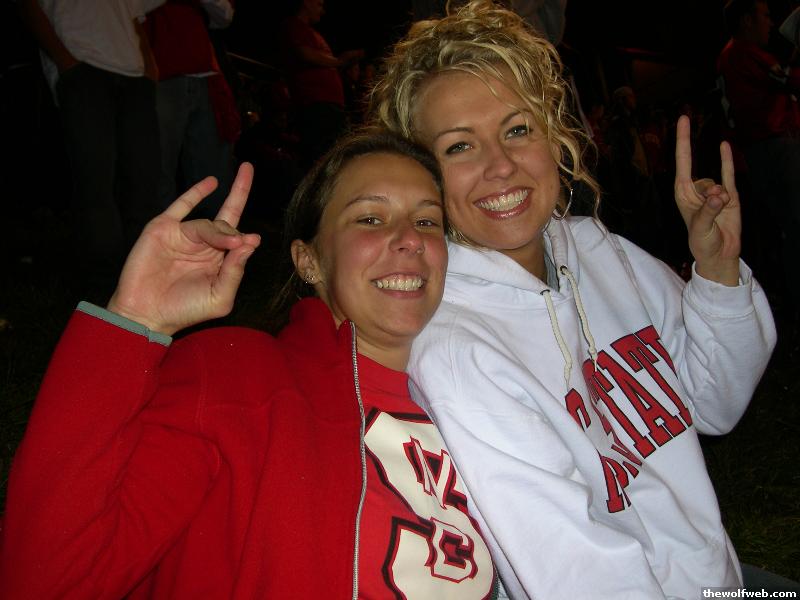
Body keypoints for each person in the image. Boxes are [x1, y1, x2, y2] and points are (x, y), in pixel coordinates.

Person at [369, 1, 777, 598]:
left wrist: (716, 273)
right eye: (459, 147)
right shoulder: (455, 347)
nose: (501, 166)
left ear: (553, 134)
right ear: (421, 176)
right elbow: (575, 575)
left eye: (517, 129)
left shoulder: (597, 249)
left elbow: (716, 401)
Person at [0, 131, 498, 598]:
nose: (410, 239)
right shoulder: (237, 376)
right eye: (370, 218)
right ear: (308, 261)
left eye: (427, 221)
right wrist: (132, 320)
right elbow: (51, 580)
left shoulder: (477, 404)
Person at [17, 0, 165, 291]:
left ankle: (147, 277)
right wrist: (66, 62)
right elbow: (28, 6)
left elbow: (135, 17)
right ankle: (105, 284)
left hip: (135, 77)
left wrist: (149, 68)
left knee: (144, 179)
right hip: (83, 69)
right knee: (96, 182)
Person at [718, 0, 800, 341]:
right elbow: (789, 80)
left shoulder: (736, 55)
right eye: (765, 16)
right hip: (771, 147)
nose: (770, 23)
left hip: (765, 149)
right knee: (795, 227)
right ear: (746, 20)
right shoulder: (742, 53)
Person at [144, 0, 238, 219]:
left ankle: (215, 230)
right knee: (158, 166)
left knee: (212, 169)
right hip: (160, 73)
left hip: (205, 73)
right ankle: (160, 232)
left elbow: (225, 16)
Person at [279, 0, 364, 168]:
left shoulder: (311, 32)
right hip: (316, 105)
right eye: (319, 4)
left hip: (328, 106)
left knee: (335, 156)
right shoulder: (293, 25)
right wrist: (339, 61)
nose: (322, 11)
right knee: (323, 159)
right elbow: (305, 54)